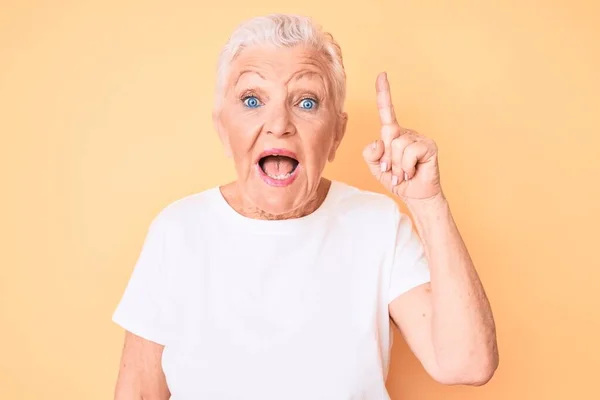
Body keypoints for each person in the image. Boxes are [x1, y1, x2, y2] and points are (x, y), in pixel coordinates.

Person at [112, 13, 498, 400]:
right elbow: (139, 393)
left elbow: (466, 363)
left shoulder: (377, 225)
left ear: (336, 134)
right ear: (222, 128)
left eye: (307, 102)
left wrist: (428, 203)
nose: (279, 124)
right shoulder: (178, 230)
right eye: (252, 100)